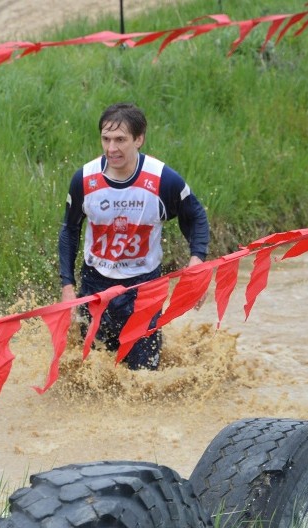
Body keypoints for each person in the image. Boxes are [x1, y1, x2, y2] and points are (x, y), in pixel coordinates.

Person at [58, 102, 210, 370]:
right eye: (106, 139)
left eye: (120, 140)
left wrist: (197, 262)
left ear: (139, 139)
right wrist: (67, 286)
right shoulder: (84, 179)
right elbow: (70, 230)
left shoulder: (164, 180)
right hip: (96, 287)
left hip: (144, 288)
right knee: (94, 374)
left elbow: (196, 217)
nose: (111, 148)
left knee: (144, 377)